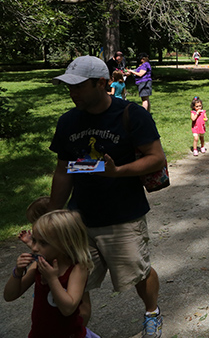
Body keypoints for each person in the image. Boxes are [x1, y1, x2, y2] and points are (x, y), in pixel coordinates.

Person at [48, 55, 166, 338]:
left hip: (123, 215)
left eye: (78, 87)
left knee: (138, 273)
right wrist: (53, 215)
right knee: (77, 281)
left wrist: (118, 171)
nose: (72, 92)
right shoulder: (68, 121)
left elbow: (156, 159)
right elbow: (63, 171)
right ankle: (78, 331)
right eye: (69, 87)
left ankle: (152, 312)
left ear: (101, 83)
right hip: (79, 219)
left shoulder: (132, 114)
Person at [4, 209, 101, 338]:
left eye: (43, 243)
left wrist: (52, 279)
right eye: (34, 240)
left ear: (66, 242)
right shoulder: (39, 264)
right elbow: (9, 296)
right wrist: (17, 272)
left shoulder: (78, 268)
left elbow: (68, 308)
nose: (34, 248)